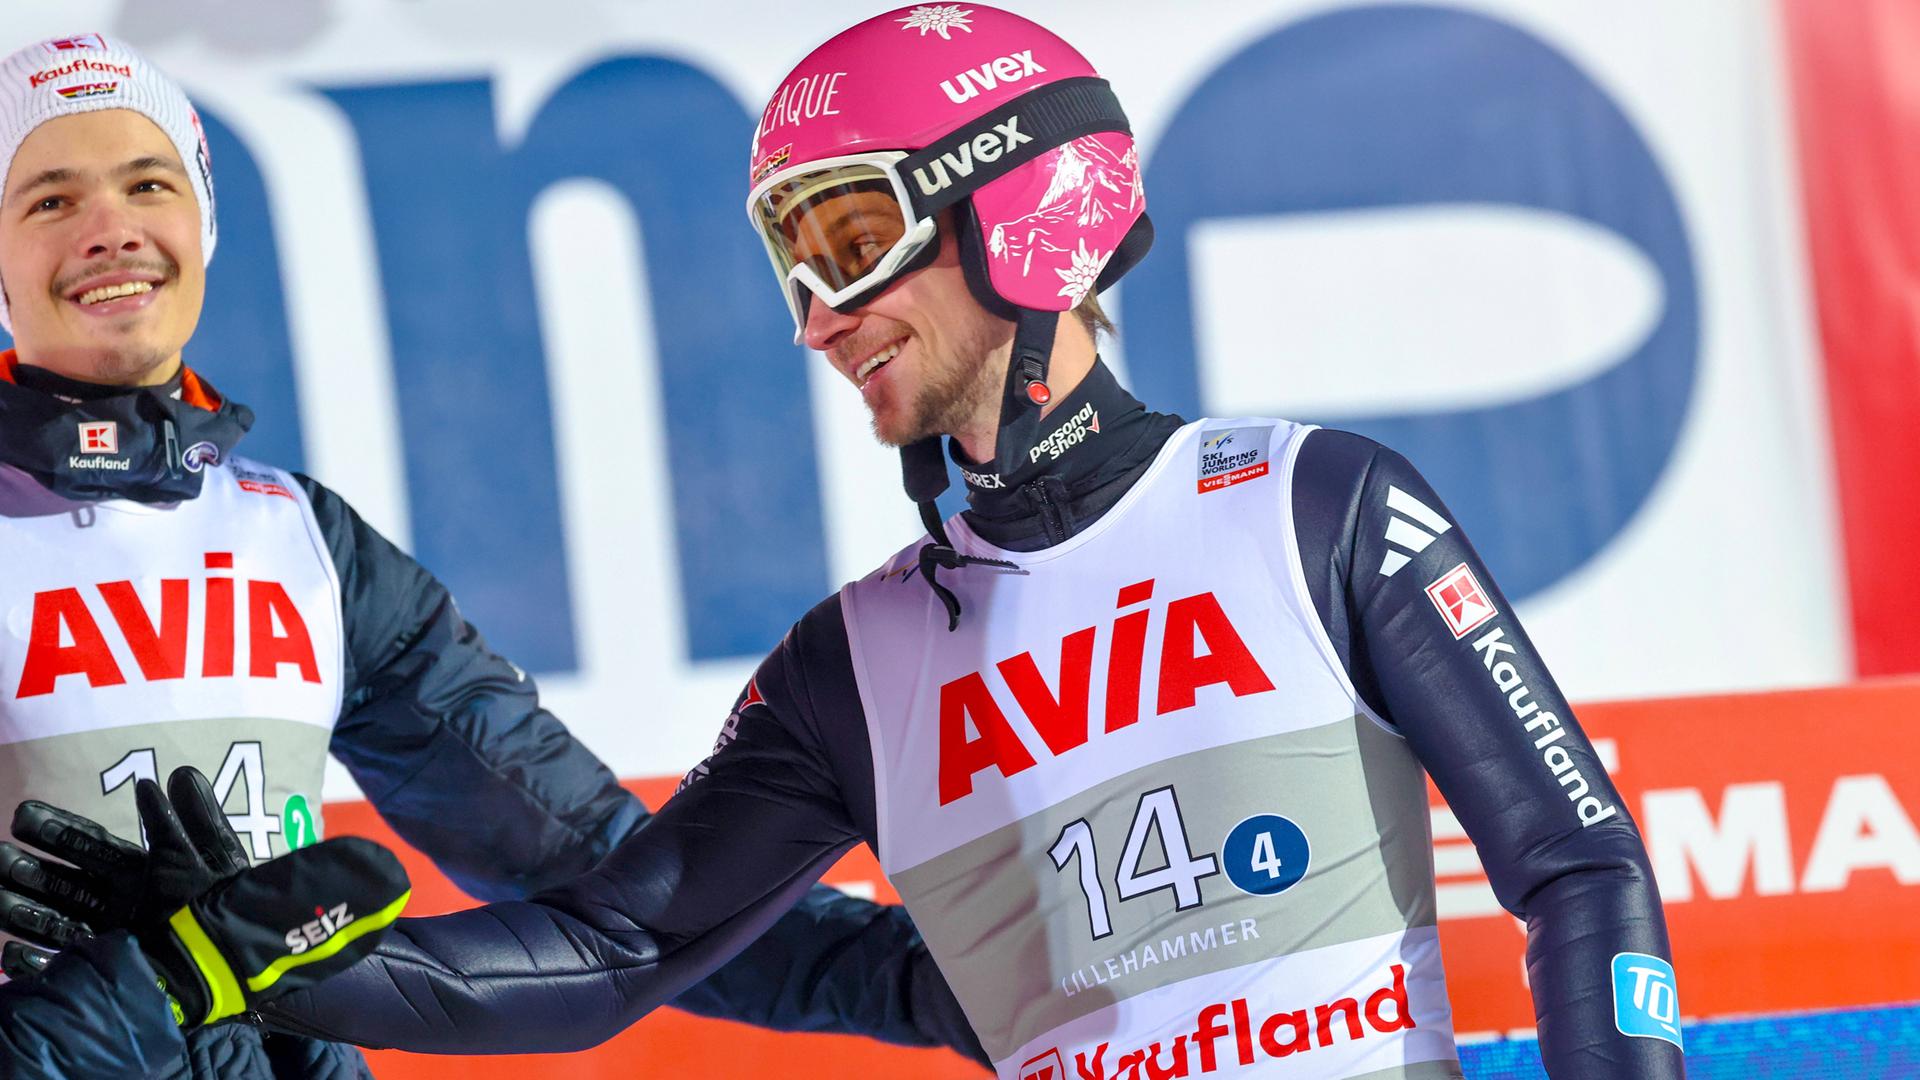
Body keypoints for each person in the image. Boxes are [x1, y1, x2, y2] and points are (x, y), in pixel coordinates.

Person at [46, 8, 1687, 1077]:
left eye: (847, 236)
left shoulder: (1315, 501)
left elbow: (1581, 867)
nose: (816, 316)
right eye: (791, 261)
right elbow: (614, 949)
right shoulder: (855, 660)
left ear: (1019, 206)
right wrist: (242, 971)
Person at [0, 31, 982, 1078]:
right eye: (50, 200)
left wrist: (950, 983)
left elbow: (613, 879)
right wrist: (131, 1001)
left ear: (201, 221)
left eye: (149, 184)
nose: (111, 230)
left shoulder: (301, 540)